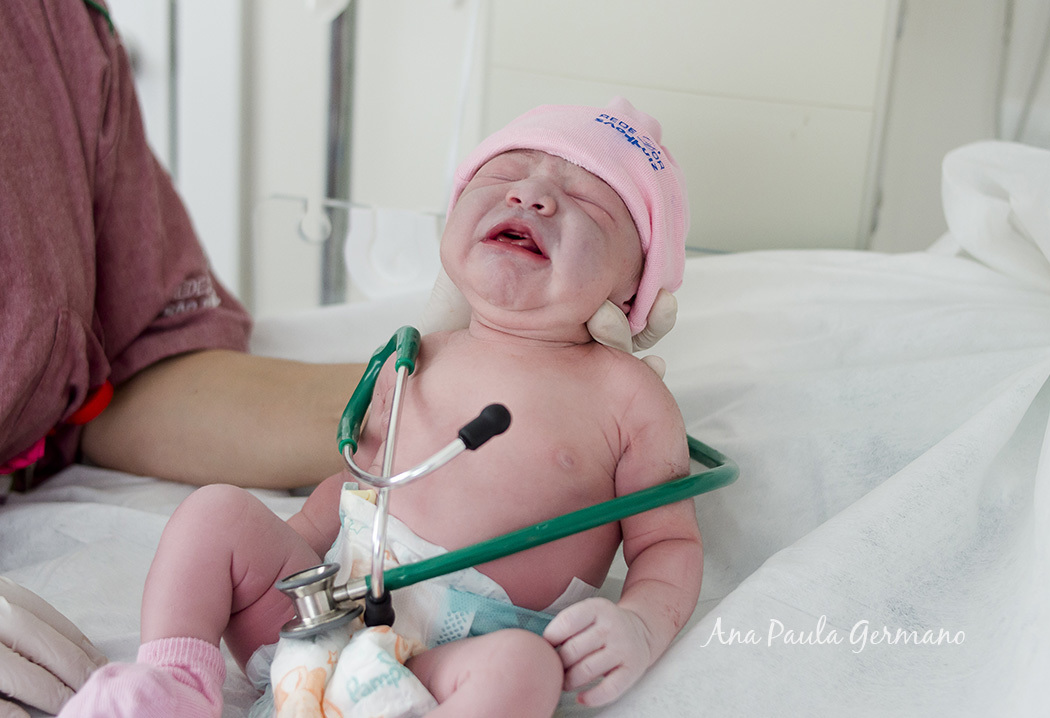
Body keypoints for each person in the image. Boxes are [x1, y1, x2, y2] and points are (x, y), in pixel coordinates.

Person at [57, 98, 698, 718]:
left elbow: (667, 541)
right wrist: (295, 550)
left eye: (587, 200)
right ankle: (172, 688)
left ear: (634, 284)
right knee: (214, 512)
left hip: (453, 658)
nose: (530, 195)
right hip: (325, 615)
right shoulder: (413, 356)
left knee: (525, 670)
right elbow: (358, 482)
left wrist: (641, 624)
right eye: (502, 174)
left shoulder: (626, 396)